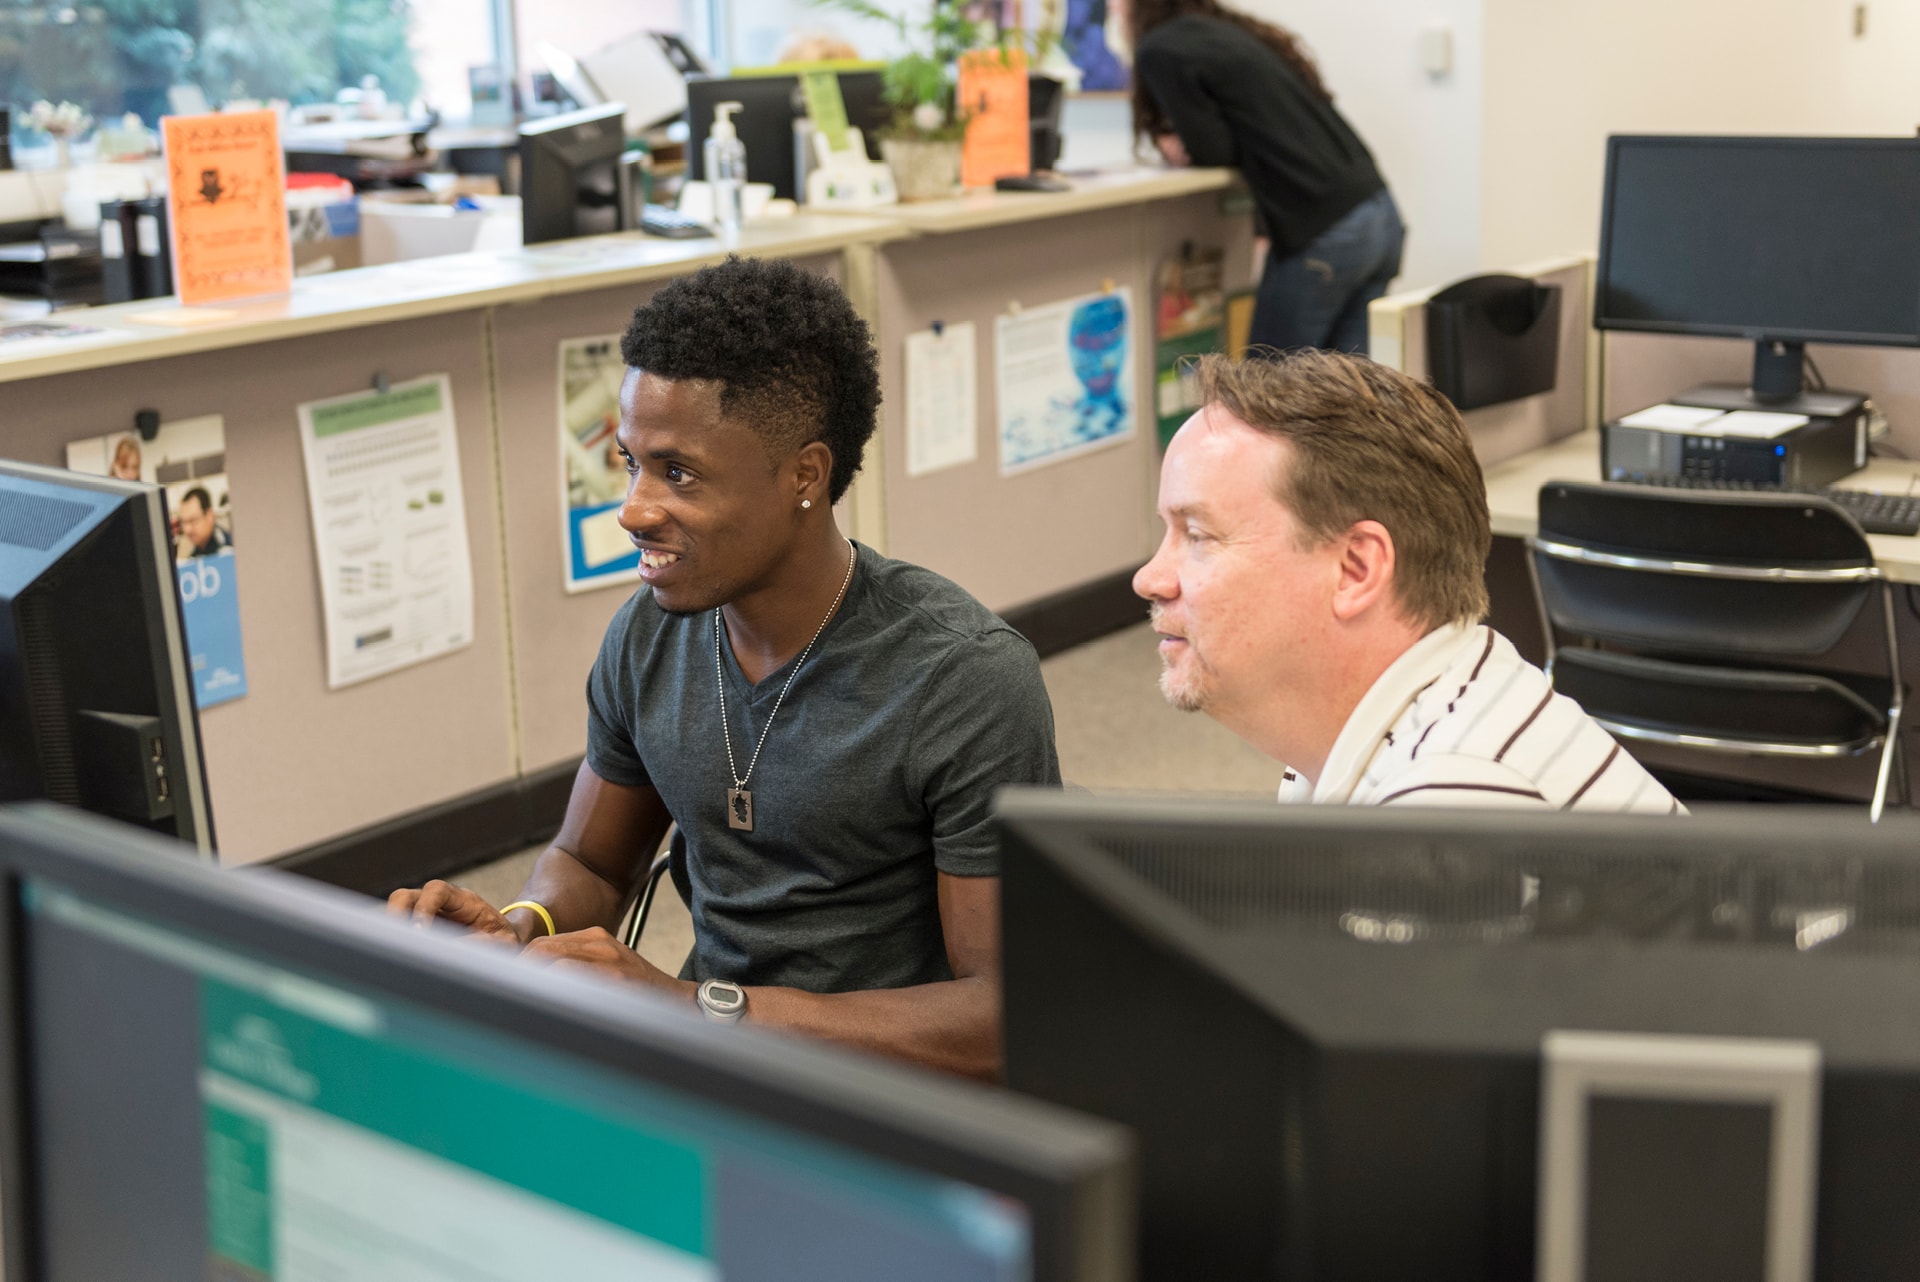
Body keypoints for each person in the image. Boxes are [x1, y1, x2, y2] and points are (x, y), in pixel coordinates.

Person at [390, 257, 1059, 1080]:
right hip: (712, 1068)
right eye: (630, 463)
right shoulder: (647, 637)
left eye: (679, 473)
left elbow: (1003, 1017)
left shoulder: (961, 678)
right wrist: (523, 924)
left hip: (892, 1099)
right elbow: (593, 864)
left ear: (804, 477)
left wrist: (704, 1010)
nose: (633, 509)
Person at [1134, 350, 1681, 813]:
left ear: (1356, 570)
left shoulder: (1453, 797)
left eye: (1199, 536)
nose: (1150, 578)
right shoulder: (1419, 716)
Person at [1120, 0, 1404, 355]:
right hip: (1380, 215)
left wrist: (1173, 144)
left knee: (1265, 393)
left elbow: (1213, 151)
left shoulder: (1159, 48)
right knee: (1347, 395)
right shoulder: (1231, 34)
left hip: (1327, 230)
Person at [174, 486, 231, 559]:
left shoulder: (228, 550)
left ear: (209, 515)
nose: (187, 529)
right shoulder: (188, 553)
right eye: (184, 522)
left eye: (193, 520)